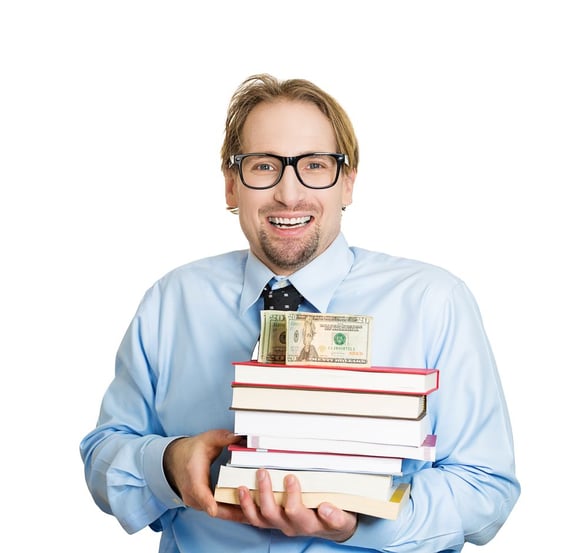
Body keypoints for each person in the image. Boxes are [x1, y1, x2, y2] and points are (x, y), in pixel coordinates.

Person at [80, 73, 520, 552]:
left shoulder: (433, 302)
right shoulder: (173, 301)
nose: (289, 195)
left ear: (347, 183)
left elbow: (486, 489)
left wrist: (361, 520)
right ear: (232, 186)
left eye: (314, 165)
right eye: (264, 166)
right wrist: (166, 462)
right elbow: (104, 454)